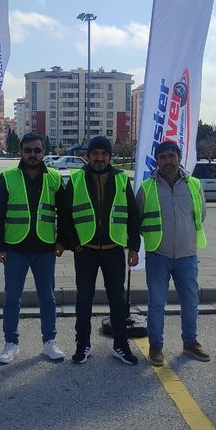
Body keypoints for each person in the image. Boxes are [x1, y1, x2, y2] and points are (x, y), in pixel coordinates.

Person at [61, 136, 141, 365]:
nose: (99, 158)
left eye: (104, 154)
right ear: (87, 155)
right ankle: (82, 345)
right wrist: (73, 243)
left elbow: (133, 216)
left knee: (117, 301)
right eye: (95, 153)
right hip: (85, 251)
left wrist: (133, 247)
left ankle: (121, 345)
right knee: (83, 301)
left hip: (113, 250)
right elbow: (64, 216)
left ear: (109, 156)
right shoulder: (76, 179)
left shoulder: (121, 179)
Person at [0, 132, 66, 364]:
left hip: (45, 248)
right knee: (12, 298)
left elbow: (64, 213)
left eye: (37, 150)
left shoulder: (54, 177)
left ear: (43, 152)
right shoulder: (8, 177)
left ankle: (49, 342)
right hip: (15, 248)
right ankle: (11, 343)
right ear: (20, 152)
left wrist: (61, 240)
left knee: (48, 298)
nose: (33, 154)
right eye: (28, 150)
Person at [136, 141, 210, 366]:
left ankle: (190, 343)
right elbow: (137, 219)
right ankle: (156, 347)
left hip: (187, 255)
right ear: (157, 161)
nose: (168, 161)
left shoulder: (194, 185)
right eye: (163, 157)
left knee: (190, 302)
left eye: (171, 156)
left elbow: (201, 214)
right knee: (157, 303)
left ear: (179, 158)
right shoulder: (147, 187)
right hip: (158, 254)